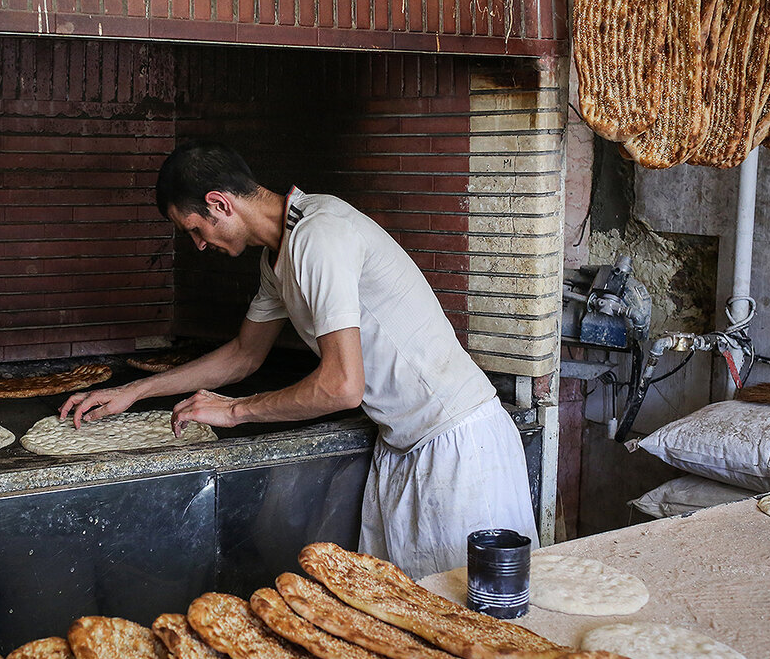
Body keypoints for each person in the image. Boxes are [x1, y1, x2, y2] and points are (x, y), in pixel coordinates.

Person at [59, 141, 538, 578]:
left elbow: (341, 385)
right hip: (405, 447)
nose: (199, 244)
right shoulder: (279, 256)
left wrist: (234, 411)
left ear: (220, 204)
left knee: (472, 628)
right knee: (405, 628)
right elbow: (244, 355)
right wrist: (133, 392)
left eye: (195, 229)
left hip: (456, 448)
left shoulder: (319, 236)